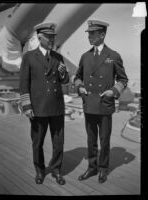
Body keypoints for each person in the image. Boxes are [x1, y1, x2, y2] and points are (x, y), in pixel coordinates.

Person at [74, 20, 128, 183]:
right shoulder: (85, 56)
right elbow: (77, 77)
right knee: (91, 140)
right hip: (89, 103)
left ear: (102, 34)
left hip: (104, 105)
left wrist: (113, 91)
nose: (89, 37)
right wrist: (80, 87)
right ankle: (92, 167)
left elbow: (123, 79)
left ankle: (103, 169)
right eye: (89, 34)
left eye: (92, 33)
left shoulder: (113, 56)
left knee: (104, 140)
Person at [19, 22, 69, 185]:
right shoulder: (28, 57)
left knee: (58, 142)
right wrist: (27, 106)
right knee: (37, 143)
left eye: (53, 37)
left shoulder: (58, 57)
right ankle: (40, 170)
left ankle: (56, 170)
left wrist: (64, 73)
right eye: (48, 37)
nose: (52, 40)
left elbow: (65, 81)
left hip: (56, 107)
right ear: (39, 38)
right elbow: (23, 84)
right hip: (38, 107)